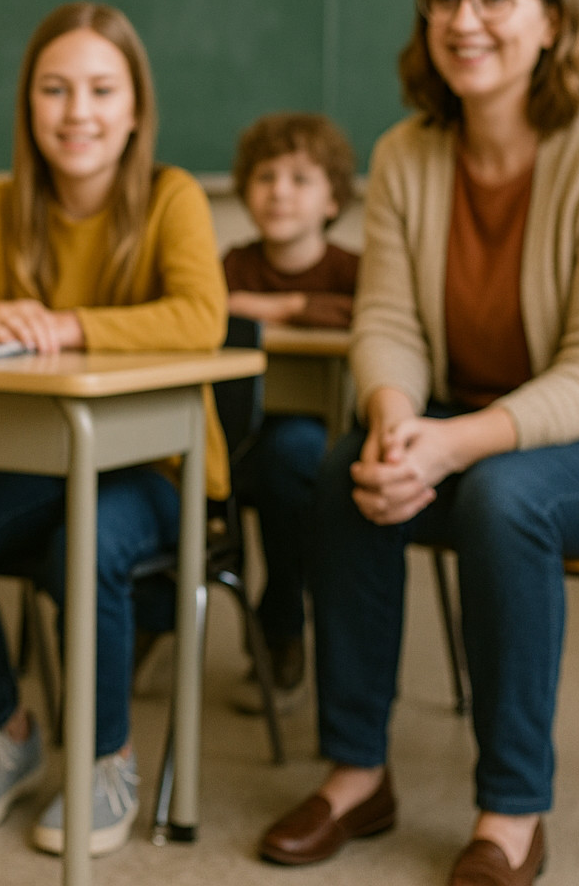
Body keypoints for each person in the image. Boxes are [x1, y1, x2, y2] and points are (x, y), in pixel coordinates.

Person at [256, 0, 579, 886]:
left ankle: (511, 809)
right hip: (472, 421)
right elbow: (389, 325)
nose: (468, 19)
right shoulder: (411, 154)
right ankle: (357, 773)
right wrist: (395, 422)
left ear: (552, 19)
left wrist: (453, 449)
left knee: (509, 496)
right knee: (345, 472)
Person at [0, 2, 228, 857]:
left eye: (99, 90)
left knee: (83, 549)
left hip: (158, 469)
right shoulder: (0, 202)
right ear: (28, 105)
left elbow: (202, 317)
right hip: (41, 459)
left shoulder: (171, 198)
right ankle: (5, 733)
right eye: (55, 89)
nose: (77, 111)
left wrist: (70, 324)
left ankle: (104, 758)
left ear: (134, 110)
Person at [221, 111, 358, 716]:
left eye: (301, 179)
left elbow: (361, 310)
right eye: (266, 176)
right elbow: (209, 306)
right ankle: (156, 616)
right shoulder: (233, 263)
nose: (279, 191)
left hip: (311, 448)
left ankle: (282, 627)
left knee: (293, 455)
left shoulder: (352, 269)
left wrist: (282, 305)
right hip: (232, 433)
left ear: (334, 199)